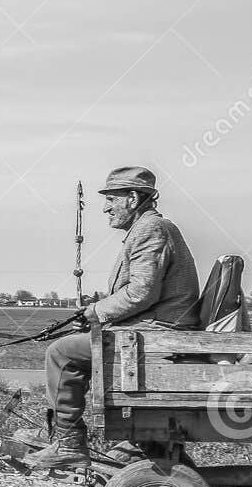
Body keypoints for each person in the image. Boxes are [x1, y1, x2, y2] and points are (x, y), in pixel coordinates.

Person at [27, 166, 201, 470]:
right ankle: (140, 444)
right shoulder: (147, 229)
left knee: (61, 353)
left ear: (132, 198)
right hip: (153, 330)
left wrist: (96, 312)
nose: (106, 208)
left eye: (111, 199)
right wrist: (98, 314)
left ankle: (68, 441)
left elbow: (141, 292)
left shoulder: (150, 230)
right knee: (73, 346)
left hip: (157, 335)